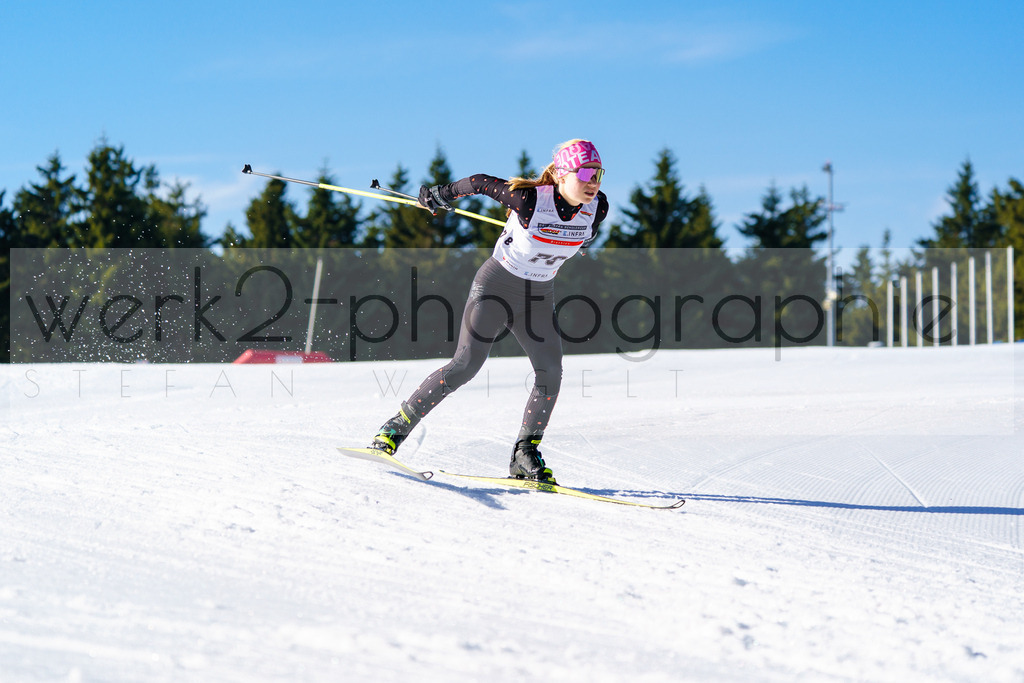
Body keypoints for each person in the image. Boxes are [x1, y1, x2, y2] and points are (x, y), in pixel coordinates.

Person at [368, 139, 608, 482]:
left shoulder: (597, 207)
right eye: (585, 173)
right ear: (559, 174)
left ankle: (525, 453)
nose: (593, 181)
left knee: (551, 373)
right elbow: (481, 182)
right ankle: (395, 428)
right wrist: (441, 194)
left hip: (538, 297)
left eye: (598, 173)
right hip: (496, 288)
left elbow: (582, 234)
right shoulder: (527, 200)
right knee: (466, 366)